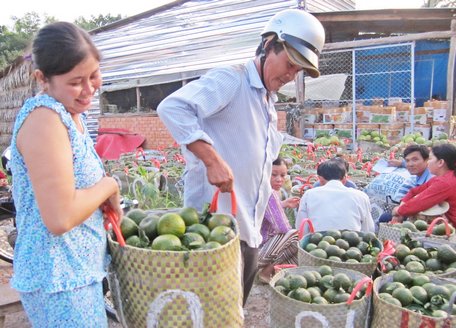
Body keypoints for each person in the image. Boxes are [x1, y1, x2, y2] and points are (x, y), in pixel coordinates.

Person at [157, 9, 325, 305]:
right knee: (208, 314)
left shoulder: (268, 102)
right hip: (212, 232)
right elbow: (173, 107)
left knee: (233, 313)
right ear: (269, 44)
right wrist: (211, 160)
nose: (290, 75)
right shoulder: (232, 79)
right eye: (289, 64)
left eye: (297, 71)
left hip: (247, 230)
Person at [9, 22, 123, 327]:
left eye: (94, 75)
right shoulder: (45, 120)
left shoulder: (71, 114)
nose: (89, 89)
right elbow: (59, 218)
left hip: (76, 272)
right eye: (76, 82)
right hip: (58, 278)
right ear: (42, 79)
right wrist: (109, 185)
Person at [296, 158, 375, 232]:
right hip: (353, 244)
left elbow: (301, 228)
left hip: (317, 244)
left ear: (320, 179)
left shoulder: (309, 195)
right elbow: (369, 230)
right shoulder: (361, 196)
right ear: (344, 179)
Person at [257, 157, 300, 283]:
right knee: (294, 235)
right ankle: (267, 270)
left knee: (293, 241)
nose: (279, 179)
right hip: (258, 251)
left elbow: (264, 210)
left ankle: (267, 272)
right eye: (274, 174)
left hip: (254, 248)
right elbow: (283, 227)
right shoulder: (269, 193)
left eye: (283, 175)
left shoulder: (261, 189)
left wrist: (282, 204)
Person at [392, 143, 456, 226]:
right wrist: (401, 207)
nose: (428, 162)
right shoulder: (442, 178)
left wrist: (398, 211)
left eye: (430, 159)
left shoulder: (445, 183)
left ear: (440, 162)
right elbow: (414, 191)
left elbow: (420, 203)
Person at [378, 144, 433, 224]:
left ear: (426, 160)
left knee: (386, 218)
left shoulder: (431, 177)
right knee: (386, 217)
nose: (410, 164)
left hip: (429, 217)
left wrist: (400, 212)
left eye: (415, 160)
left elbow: (422, 202)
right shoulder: (418, 176)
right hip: (419, 212)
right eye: (407, 161)